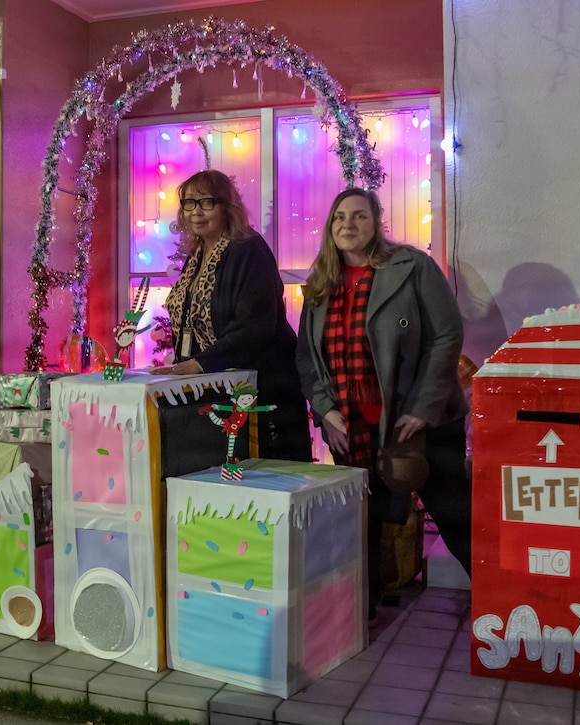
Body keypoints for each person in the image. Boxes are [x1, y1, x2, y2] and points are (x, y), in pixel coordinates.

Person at [295, 188, 472, 621]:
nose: (348, 224)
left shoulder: (412, 267)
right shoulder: (321, 284)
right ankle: (361, 613)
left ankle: (507, 603)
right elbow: (307, 357)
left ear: (376, 222)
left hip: (417, 424)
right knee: (361, 523)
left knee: (457, 518)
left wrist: (422, 408)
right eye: (339, 217)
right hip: (352, 427)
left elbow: (446, 335)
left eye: (359, 216)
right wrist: (326, 411)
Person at [154, 169, 311, 462]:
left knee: (262, 480)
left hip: (263, 392)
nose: (196, 212)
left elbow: (255, 326)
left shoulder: (249, 249)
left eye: (206, 202)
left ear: (227, 206)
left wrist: (200, 364)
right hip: (216, 392)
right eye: (189, 203)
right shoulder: (197, 254)